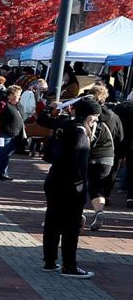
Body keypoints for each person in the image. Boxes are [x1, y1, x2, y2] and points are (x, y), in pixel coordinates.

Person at [42, 98, 99, 279]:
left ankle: (50, 262)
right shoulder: (80, 132)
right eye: (95, 117)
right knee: (70, 227)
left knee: (52, 222)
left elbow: (51, 151)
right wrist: (79, 184)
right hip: (69, 186)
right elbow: (77, 160)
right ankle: (69, 266)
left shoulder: (65, 125)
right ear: (88, 116)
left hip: (54, 179)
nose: (96, 121)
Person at [84, 85, 125, 231]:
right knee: (98, 187)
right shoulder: (114, 116)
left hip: (89, 154)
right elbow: (120, 138)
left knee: (82, 183)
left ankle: (77, 213)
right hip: (107, 156)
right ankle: (99, 211)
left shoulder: (88, 113)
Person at [0, 85, 25, 181]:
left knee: (6, 155)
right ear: (10, 95)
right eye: (17, 95)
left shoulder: (17, 105)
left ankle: (3, 173)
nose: (19, 97)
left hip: (14, 135)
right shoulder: (2, 104)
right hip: (3, 134)